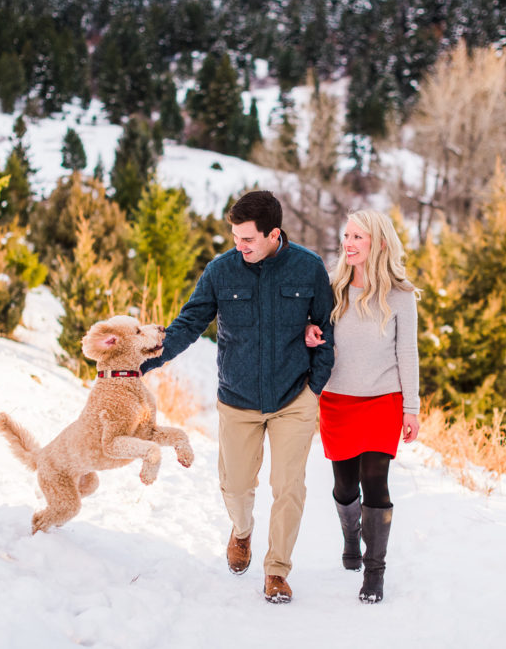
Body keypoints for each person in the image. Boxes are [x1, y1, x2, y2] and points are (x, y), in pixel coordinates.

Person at [141, 190, 335, 604]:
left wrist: (314, 388)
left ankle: (277, 570)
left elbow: (326, 329)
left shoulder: (308, 268)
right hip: (238, 398)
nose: (239, 245)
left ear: (273, 234)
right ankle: (241, 532)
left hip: (293, 398)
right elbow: (188, 323)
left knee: (288, 487)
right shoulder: (221, 271)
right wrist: (142, 363)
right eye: (235, 237)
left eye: (247, 239)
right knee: (236, 486)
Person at [304, 209, 420, 604]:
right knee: (343, 484)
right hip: (338, 400)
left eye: (358, 237)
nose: (348, 244)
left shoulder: (401, 295)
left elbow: (408, 352)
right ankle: (350, 536)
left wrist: (412, 407)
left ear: (379, 243)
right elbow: (311, 328)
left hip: (384, 400)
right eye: (347, 236)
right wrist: (309, 331)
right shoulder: (332, 288)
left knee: (376, 482)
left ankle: (375, 572)